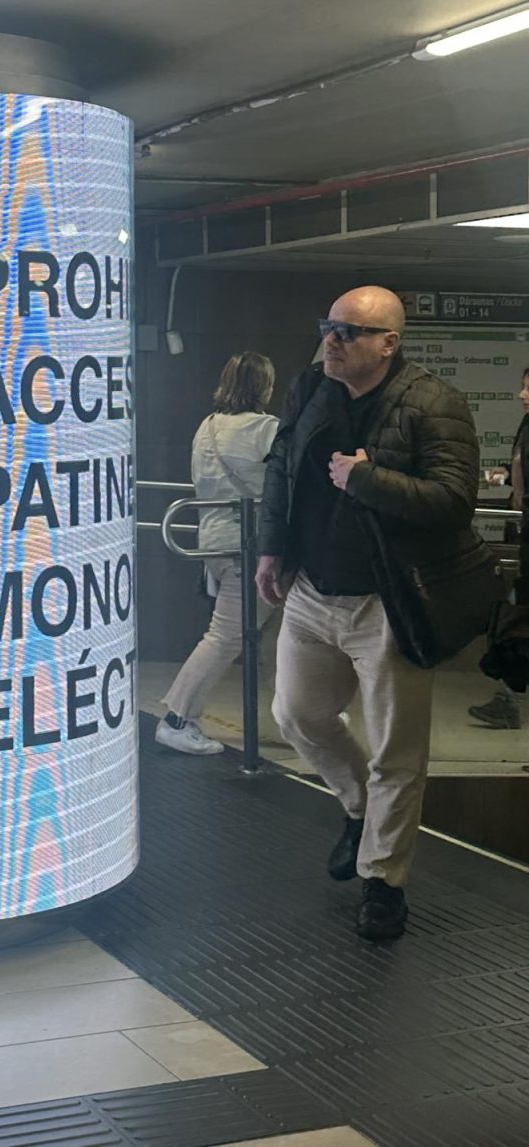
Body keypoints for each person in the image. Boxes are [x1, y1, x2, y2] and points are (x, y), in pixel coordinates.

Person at [256, 285, 481, 942]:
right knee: (296, 714)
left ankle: (383, 882)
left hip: (391, 601)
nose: (332, 339)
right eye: (329, 325)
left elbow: (454, 500)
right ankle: (358, 811)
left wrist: (369, 479)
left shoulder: (435, 405)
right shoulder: (309, 388)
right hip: (313, 591)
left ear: (389, 343)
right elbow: (281, 466)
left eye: (350, 331)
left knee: (396, 750)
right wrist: (272, 546)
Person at [156, 352, 278, 755]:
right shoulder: (267, 429)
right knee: (226, 636)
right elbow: (285, 484)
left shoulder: (207, 427)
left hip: (215, 541)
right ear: (263, 387)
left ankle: (301, 715)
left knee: (284, 631)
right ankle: (177, 719)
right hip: (252, 547)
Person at [468, 367, 529, 730]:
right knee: (517, 621)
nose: (523, 395)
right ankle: (508, 701)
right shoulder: (526, 427)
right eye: (522, 387)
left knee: (518, 622)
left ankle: (509, 702)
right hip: (524, 538)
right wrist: (504, 474)